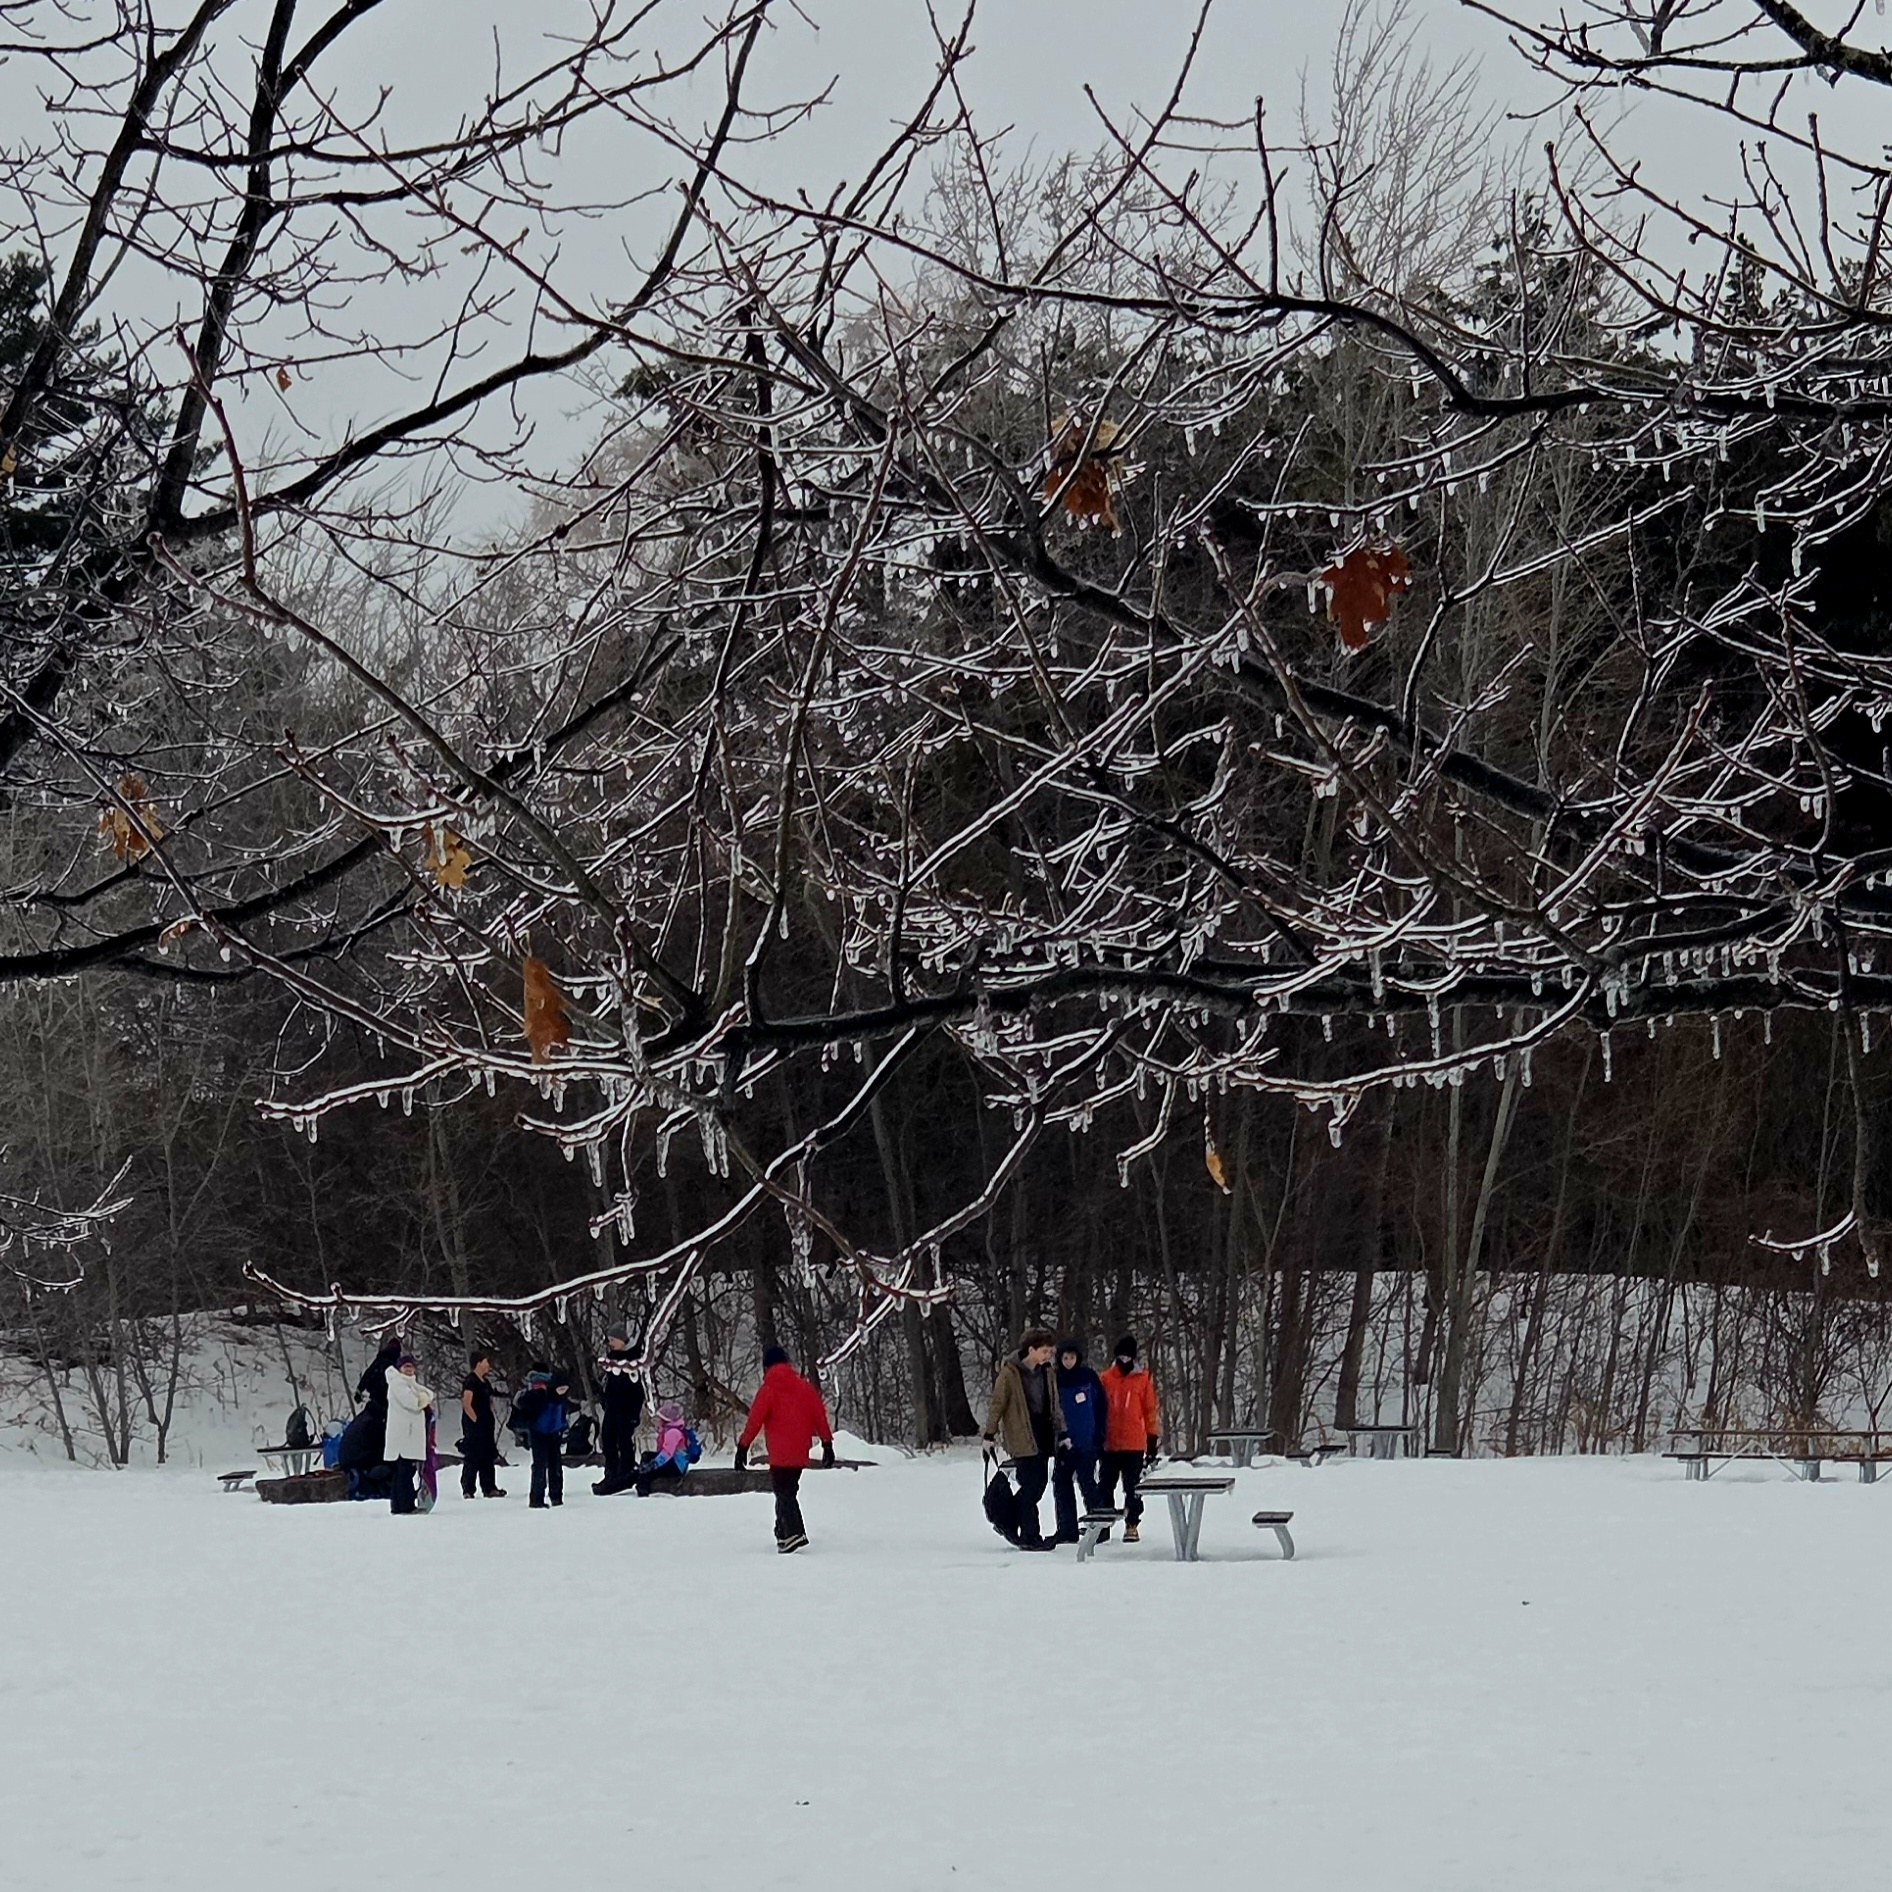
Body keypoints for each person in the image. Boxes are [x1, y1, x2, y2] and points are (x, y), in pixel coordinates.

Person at [734, 1343, 836, 1554]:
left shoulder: (769, 1390)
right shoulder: (805, 1387)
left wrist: (743, 1446)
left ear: (767, 1366)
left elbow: (755, 1421)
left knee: (784, 1493)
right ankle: (782, 1533)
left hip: (779, 1453)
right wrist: (827, 1443)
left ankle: (794, 1533)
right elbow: (819, 1416)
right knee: (787, 1491)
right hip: (800, 1451)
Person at [982, 1328, 1063, 1550]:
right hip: (1021, 1435)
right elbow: (997, 1404)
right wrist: (989, 1434)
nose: (1048, 1356)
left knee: (1038, 1485)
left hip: (1043, 1433)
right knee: (1031, 1484)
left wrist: (1062, 1431)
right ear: (1031, 1349)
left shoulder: (1047, 1372)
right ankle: (1029, 1534)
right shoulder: (1010, 1373)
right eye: (1044, 1351)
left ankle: (1009, 1520)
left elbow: (1055, 1403)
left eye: (1050, 1352)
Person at [1097, 1334, 1161, 1544]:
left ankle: (1132, 1523)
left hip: (1134, 1443)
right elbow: (1097, 1409)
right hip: (1109, 1442)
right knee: (1105, 1485)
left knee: (1133, 1486)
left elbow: (1150, 1411)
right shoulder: (1105, 1378)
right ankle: (1103, 1525)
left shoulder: (1143, 1379)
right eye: (1121, 1356)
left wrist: (1152, 1438)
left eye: (1127, 1356)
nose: (1124, 1359)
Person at [1051, 1337, 1107, 1545]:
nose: (1068, 1362)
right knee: (1061, 1483)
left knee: (1087, 1482)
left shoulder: (1089, 1377)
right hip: (1064, 1441)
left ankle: (1100, 1528)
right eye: (1065, 1358)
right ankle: (1067, 1529)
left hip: (1087, 1440)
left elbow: (1101, 1406)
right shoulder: (1054, 1378)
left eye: (1072, 1358)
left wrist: (1100, 1434)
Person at [593, 1325, 646, 1495]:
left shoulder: (633, 1359)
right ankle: (611, 1473)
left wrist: (634, 1412)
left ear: (622, 1340)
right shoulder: (611, 1358)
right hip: (612, 1406)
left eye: (612, 1340)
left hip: (627, 1408)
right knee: (608, 1438)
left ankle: (626, 1471)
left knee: (624, 1440)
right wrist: (605, 1398)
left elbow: (638, 1389)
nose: (610, 1343)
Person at [511, 1364, 572, 1509]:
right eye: (560, 1389)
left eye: (565, 1389)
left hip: (554, 1433)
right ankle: (536, 1498)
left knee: (555, 1466)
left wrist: (563, 1428)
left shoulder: (561, 1399)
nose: (562, 1392)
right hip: (539, 1433)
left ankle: (556, 1496)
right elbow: (524, 1404)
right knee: (540, 1465)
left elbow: (562, 1415)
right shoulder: (541, 1395)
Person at [383, 1353, 435, 1516]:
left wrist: (424, 1398)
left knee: (403, 1472)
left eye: (411, 1366)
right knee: (404, 1472)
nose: (409, 1369)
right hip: (404, 1438)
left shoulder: (410, 1384)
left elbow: (428, 1394)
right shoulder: (398, 1383)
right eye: (406, 1366)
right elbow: (413, 1402)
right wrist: (422, 1399)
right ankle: (405, 1505)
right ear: (400, 1368)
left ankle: (399, 1505)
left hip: (408, 1438)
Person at [459, 1349, 505, 1499]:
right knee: (473, 1455)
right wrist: (476, 1420)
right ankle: (468, 1488)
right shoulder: (470, 1381)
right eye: (486, 1362)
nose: (488, 1365)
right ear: (478, 1363)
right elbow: (467, 1403)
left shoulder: (485, 1382)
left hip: (486, 1424)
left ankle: (489, 1487)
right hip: (474, 1425)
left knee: (487, 1454)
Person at [633, 1400, 701, 1495]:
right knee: (647, 1456)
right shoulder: (670, 1430)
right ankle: (642, 1480)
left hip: (676, 1466)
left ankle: (643, 1489)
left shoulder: (672, 1433)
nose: (656, 1422)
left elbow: (667, 1454)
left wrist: (653, 1465)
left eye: (658, 1419)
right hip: (674, 1463)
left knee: (648, 1472)